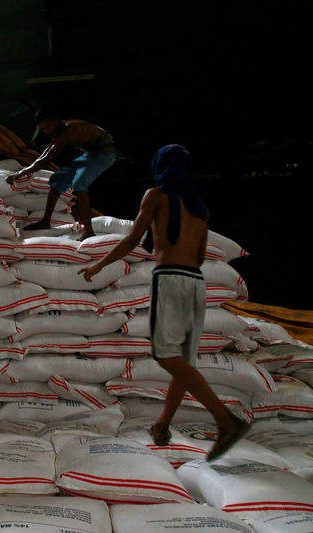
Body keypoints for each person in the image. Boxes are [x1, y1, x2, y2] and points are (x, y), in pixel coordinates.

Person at [78, 144, 248, 461]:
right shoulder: (200, 208)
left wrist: (98, 265)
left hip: (170, 278)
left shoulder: (155, 195)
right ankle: (162, 425)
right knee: (182, 359)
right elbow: (198, 255)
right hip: (196, 283)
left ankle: (227, 421)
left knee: (165, 356)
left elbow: (131, 239)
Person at [6, 109, 116, 238]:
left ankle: (89, 231)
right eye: (43, 129)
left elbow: (47, 159)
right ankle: (46, 221)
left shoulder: (69, 129)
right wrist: (24, 171)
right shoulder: (58, 132)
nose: (47, 131)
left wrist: (21, 173)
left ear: (57, 119)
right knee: (56, 179)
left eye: (49, 126)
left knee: (79, 184)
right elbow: (46, 152)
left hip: (104, 155)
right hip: (90, 155)